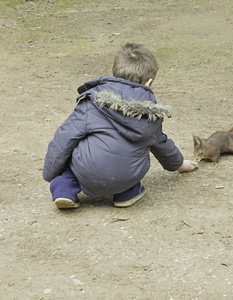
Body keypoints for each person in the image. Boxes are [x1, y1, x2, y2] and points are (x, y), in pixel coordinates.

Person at [43, 42, 198, 209]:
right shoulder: (151, 115)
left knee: (74, 151)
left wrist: (50, 172)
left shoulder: (93, 101)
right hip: (125, 179)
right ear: (149, 82)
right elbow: (162, 145)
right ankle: (127, 193)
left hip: (87, 173)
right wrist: (180, 164)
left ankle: (64, 188)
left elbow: (64, 138)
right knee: (137, 157)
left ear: (115, 74)